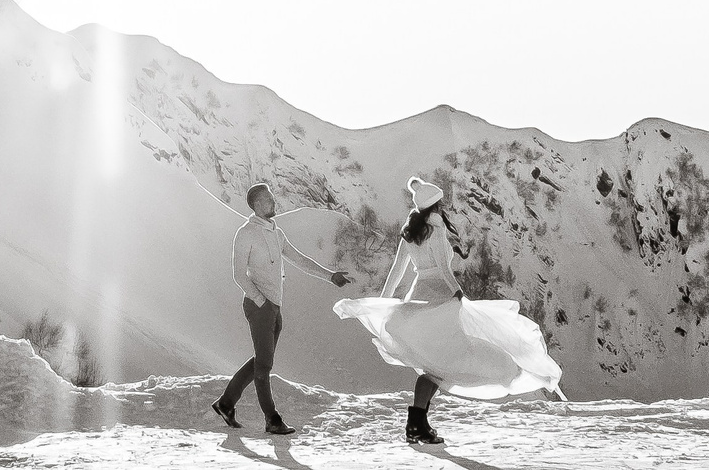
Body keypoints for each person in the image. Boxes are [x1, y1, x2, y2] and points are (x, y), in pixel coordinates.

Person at [335, 177, 565, 446]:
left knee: (432, 365)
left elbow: (396, 272)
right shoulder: (437, 227)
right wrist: (457, 290)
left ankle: (417, 424)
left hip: (418, 297)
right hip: (442, 298)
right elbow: (444, 268)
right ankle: (417, 424)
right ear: (436, 204)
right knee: (446, 360)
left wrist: (385, 303)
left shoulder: (410, 231)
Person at [210, 181, 350, 436]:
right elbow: (239, 275)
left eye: (272, 197)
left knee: (260, 361)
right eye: (268, 198)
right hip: (259, 305)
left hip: (274, 306)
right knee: (264, 365)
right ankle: (272, 419)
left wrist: (331, 276)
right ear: (256, 205)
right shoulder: (246, 233)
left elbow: (299, 259)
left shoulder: (276, 232)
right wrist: (261, 302)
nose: (274, 201)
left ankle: (226, 403)